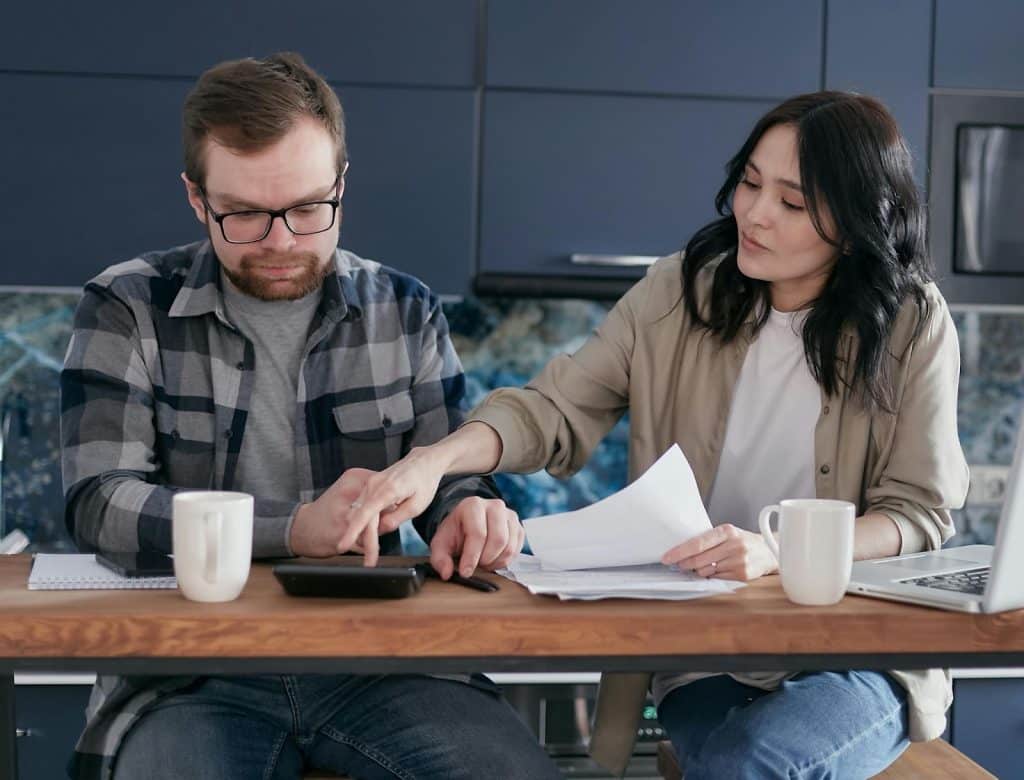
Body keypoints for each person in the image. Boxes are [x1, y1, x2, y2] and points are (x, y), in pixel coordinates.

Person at [341, 91, 970, 779]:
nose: (755, 214)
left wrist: (777, 550)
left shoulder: (910, 323)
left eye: (792, 204)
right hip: (704, 651)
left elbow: (917, 513)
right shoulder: (678, 292)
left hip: (853, 649)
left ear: (852, 226)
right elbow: (551, 409)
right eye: (751, 184)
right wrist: (434, 462)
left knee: (756, 763)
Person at [59, 52, 558, 780]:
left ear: (341, 186)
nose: (283, 240)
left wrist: (469, 511)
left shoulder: (406, 309)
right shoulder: (127, 306)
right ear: (198, 200)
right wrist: (295, 529)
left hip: (387, 660)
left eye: (305, 208)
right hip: (188, 674)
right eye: (245, 216)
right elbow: (98, 503)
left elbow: (444, 478)